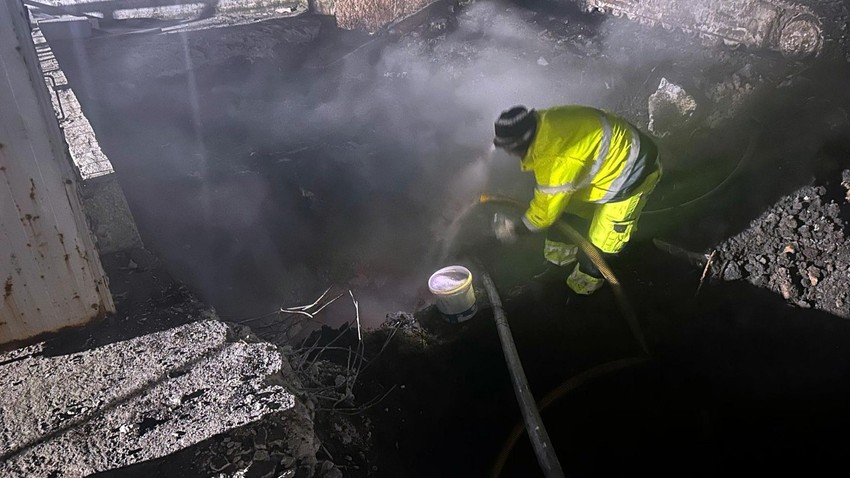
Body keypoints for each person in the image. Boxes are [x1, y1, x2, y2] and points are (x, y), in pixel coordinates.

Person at [491, 104, 662, 295]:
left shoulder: (555, 160)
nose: (507, 154)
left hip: (632, 171)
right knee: (564, 213)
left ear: (520, 143)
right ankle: (558, 265)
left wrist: (516, 229)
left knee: (602, 242)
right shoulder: (543, 122)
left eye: (508, 148)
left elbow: (545, 213)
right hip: (605, 161)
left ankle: (581, 290)